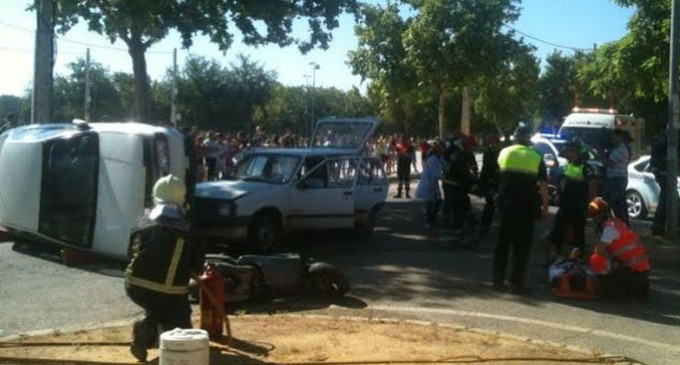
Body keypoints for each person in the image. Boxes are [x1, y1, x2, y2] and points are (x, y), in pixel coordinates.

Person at [125, 175, 205, 362]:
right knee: (179, 325)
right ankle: (148, 327)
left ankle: (147, 328)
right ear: (182, 200)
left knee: (158, 306)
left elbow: (130, 255)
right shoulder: (189, 230)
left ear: (155, 197)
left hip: (134, 287)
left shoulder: (141, 223)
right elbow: (197, 266)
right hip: (169, 291)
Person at [493, 123, 549, 294]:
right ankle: (516, 283)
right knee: (522, 246)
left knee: (502, 244)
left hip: (505, 205)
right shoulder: (537, 156)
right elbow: (543, 185)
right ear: (528, 139)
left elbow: (498, 177)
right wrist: (545, 208)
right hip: (526, 207)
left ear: (515, 138)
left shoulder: (504, 153)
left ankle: (498, 280)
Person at [587, 197, 650, 301]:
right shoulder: (616, 223)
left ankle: (604, 288)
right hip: (639, 273)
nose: (595, 218)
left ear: (604, 214)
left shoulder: (610, 228)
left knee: (596, 259)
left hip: (633, 274)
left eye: (597, 214)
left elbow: (599, 250)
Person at [549, 142, 597, 260]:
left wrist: (592, 205)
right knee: (558, 230)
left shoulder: (586, 168)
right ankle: (555, 256)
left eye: (572, 152)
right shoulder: (568, 165)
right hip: (565, 203)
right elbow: (562, 183)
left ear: (579, 154)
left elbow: (592, 187)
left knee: (578, 232)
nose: (569, 155)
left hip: (579, 205)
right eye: (568, 153)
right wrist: (558, 195)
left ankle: (577, 258)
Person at [442, 137, 475, 243]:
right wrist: (471, 183)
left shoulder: (460, 154)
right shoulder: (459, 156)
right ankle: (456, 232)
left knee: (462, 203)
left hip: (452, 184)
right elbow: (463, 173)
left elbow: (471, 166)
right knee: (457, 208)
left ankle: (462, 224)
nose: (472, 149)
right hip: (453, 185)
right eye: (471, 147)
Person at [602, 129, 630, 226]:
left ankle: (622, 224)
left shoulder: (622, 150)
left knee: (616, 204)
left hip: (618, 179)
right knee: (611, 202)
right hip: (613, 178)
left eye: (614, 136)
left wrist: (600, 153)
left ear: (620, 137)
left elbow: (610, 163)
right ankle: (616, 224)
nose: (612, 138)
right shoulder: (614, 149)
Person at [415, 140, 445, 228]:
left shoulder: (439, 158)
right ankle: (430, 221)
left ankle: (432, 220)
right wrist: (444, 177)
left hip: (433, 184)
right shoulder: (433, 159)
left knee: (437, 201)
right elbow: (435, 173)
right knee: (431, 202)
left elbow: (445, 165)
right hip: (428, 183)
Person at [478, 134, 501, 237]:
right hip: (494, 181)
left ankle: (485, 225)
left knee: (490, 205)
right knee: (492, 204)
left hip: (491, 181)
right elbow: (488, 168)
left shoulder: (489, 152)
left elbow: (485, 169)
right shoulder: (493, 153)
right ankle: (485, 225)